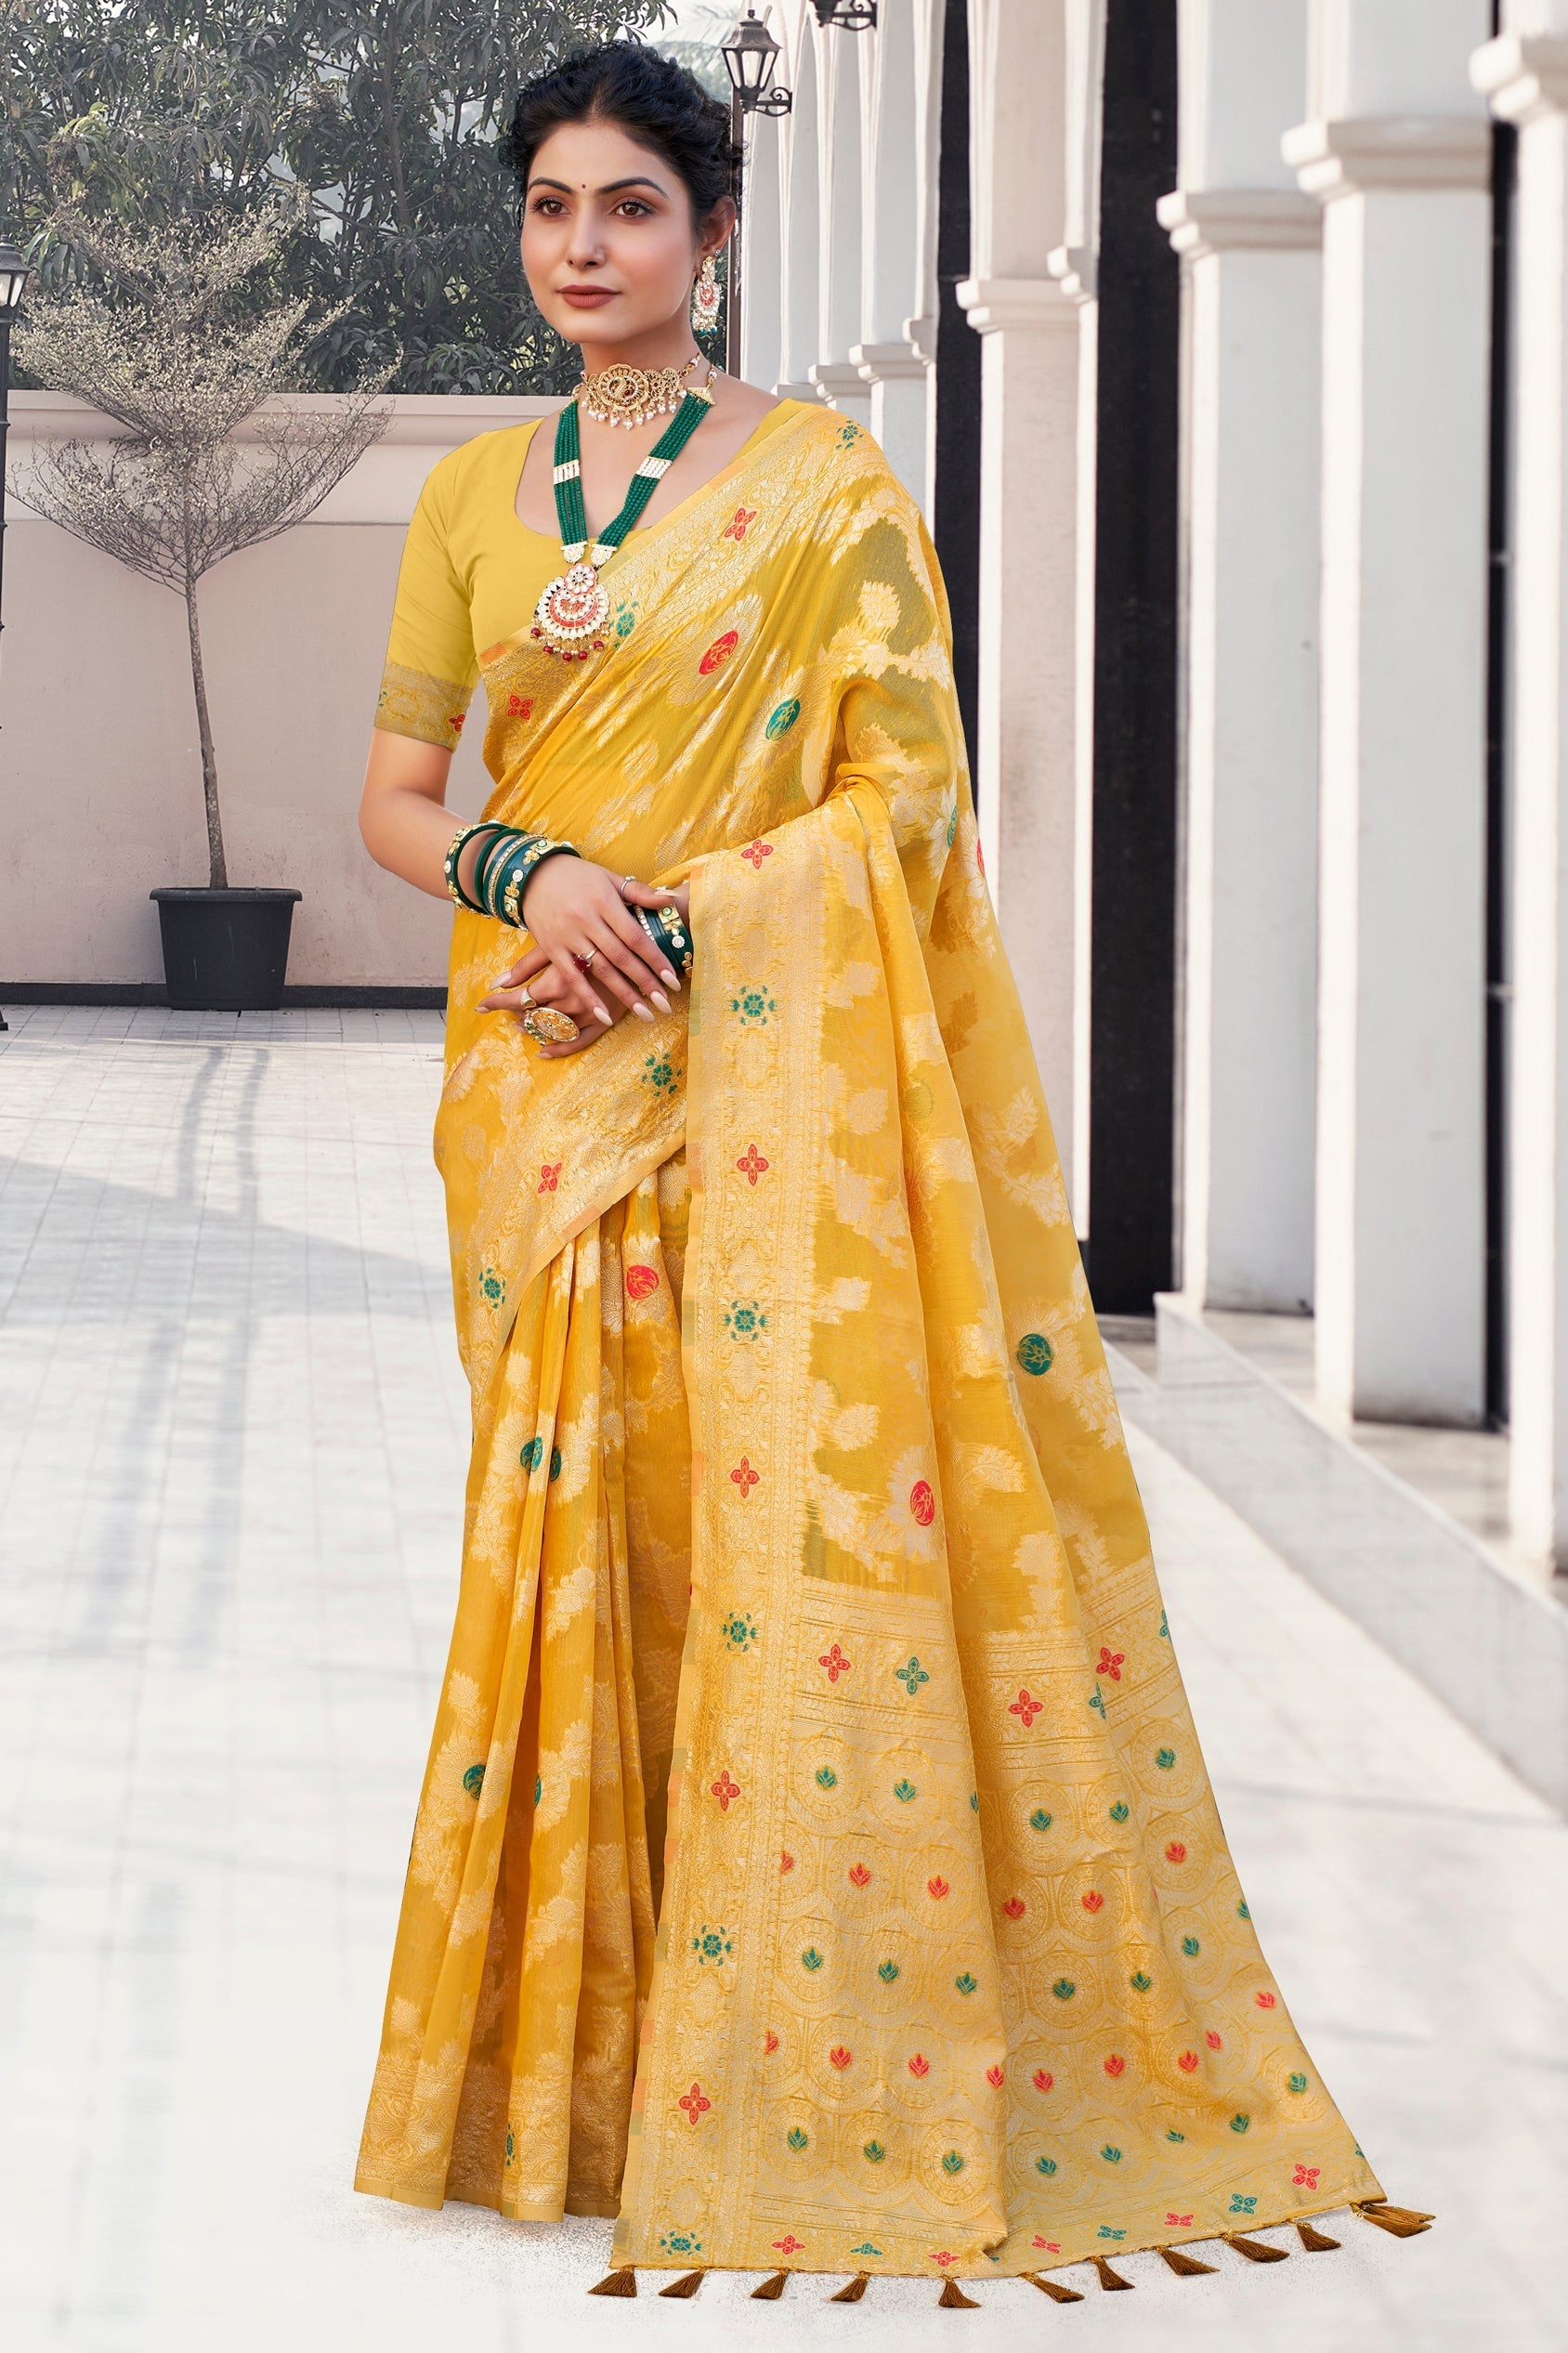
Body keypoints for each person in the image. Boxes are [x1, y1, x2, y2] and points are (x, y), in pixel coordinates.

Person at [352, 40, 1425, 2303]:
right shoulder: (465, 498)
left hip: (742, 1073)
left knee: (749, 1537)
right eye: (550, 205)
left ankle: (783, 2070)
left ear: (712, 232)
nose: (582, 246)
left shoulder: (825, 488)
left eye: (628, 205)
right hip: (539, 1086)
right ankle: (571, 2088)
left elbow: (906, 805)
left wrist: (672, 925)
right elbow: (398, 801)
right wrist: (539, 879)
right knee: (573, 1551)